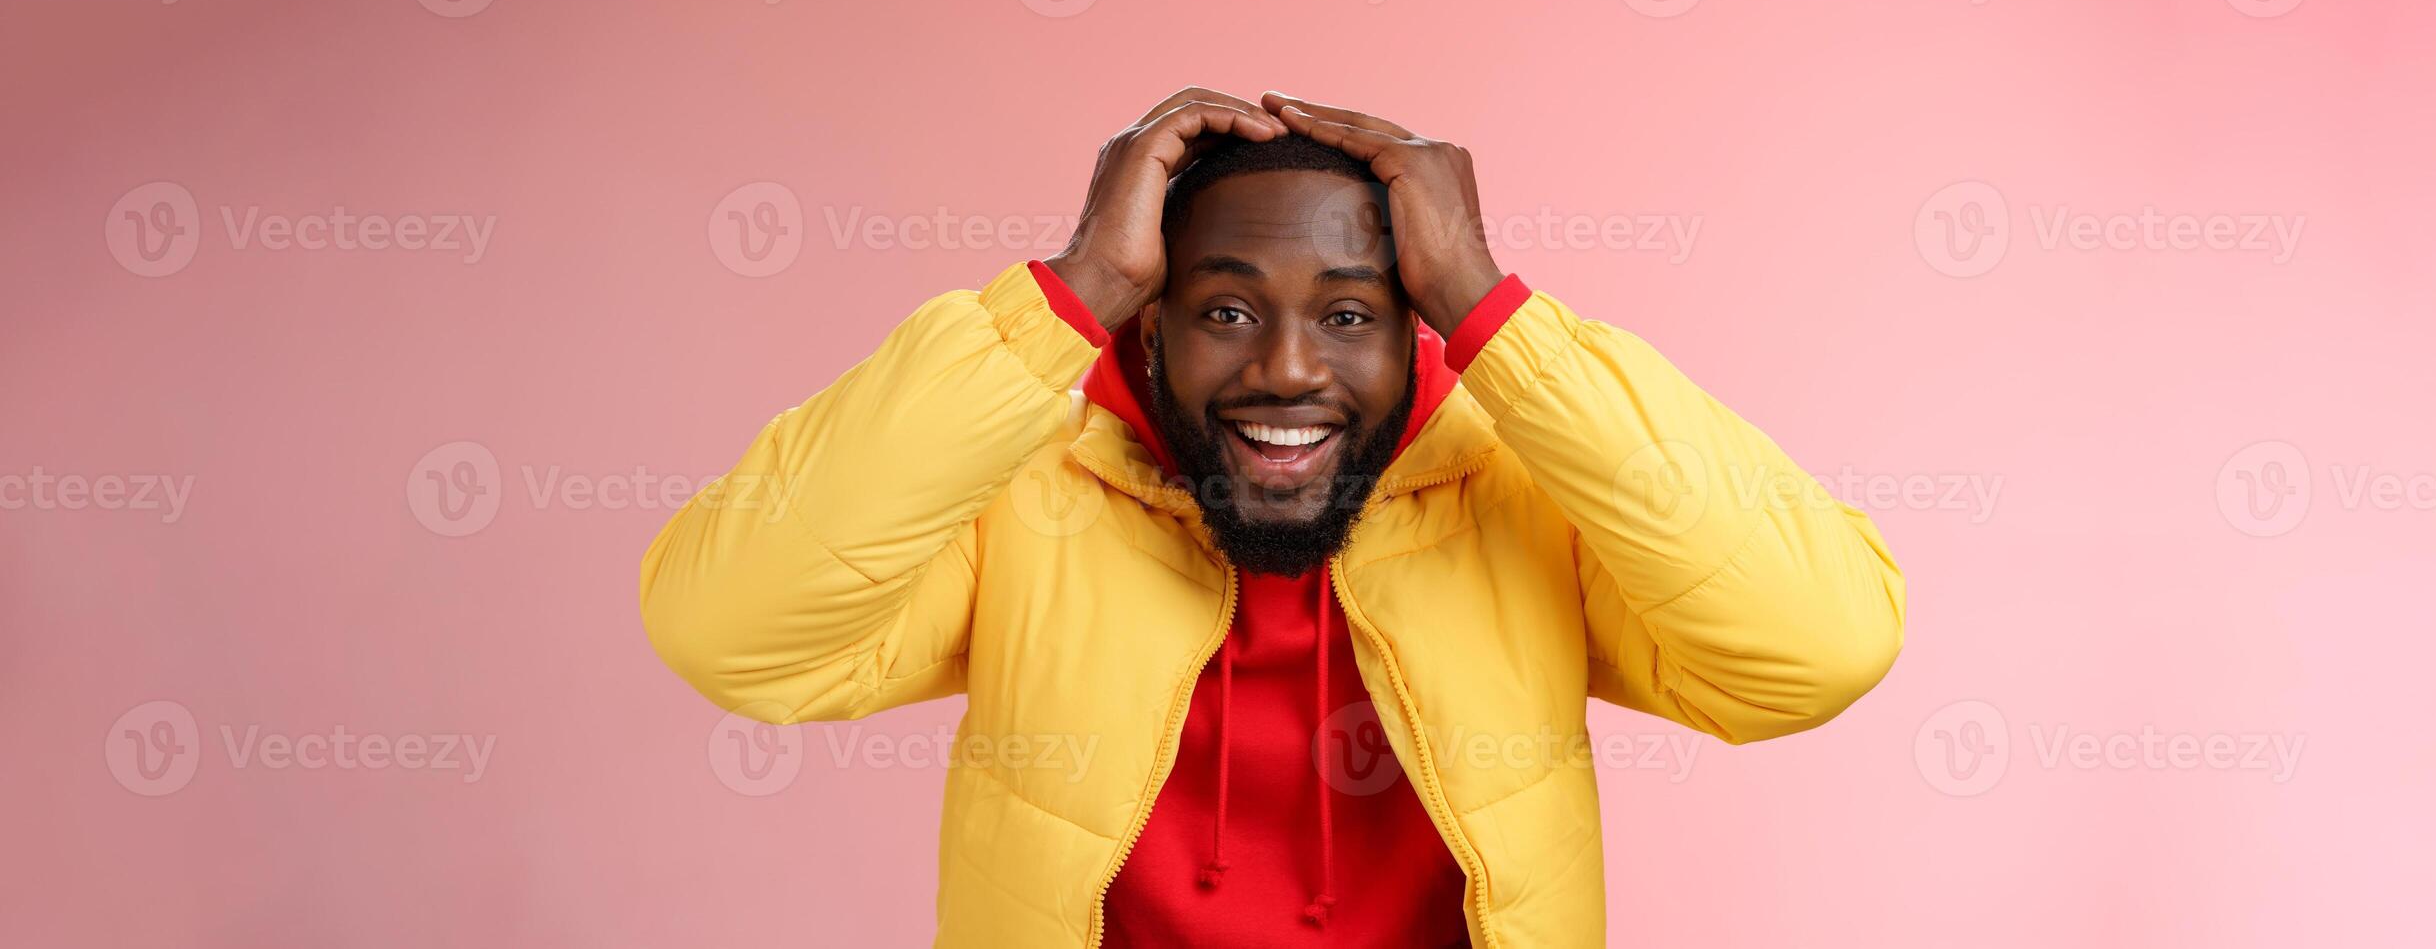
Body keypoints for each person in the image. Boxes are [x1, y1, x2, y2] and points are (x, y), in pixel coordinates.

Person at [640, 87, 1907, 948]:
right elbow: (730, 629)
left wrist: (1492, 304)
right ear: (1148, 323)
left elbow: (1816, 646)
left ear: (1419, 337)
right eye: (1226, 310)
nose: (1287, 371)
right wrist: (1064, 293)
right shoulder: (1031, 494)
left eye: (1350, 314)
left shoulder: (1518, 493)